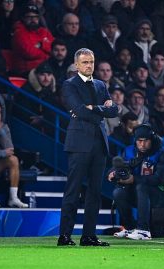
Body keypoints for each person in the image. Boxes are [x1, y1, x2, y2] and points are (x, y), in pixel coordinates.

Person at [57, 48, 117, 247]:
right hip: (79, 143)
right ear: (76, 65)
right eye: (85, 62)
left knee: (95, 192)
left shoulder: (101, 84)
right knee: (73, 191)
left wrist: (95, 109)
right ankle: (65, 235)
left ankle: (88, 235)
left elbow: (114, 110)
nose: (89, 65)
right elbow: (79, 110)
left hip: (99, 143)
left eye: (91, 61)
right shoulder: (69, 85)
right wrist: (101, 110)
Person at [109, 124, 164, 240]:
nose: (142, 145)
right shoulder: (129, 151)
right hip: (139, 194)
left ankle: (143, 230)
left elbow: (160, 179)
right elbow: (120, 165)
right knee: (118, 193)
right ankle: (130, 228)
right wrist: (113, 173)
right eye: (139, 141)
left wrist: (134, 179)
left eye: (146, 141)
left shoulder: (163, 153)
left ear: (152, 140)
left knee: (141, 186)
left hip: (159, 195)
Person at [11, 5, 54, 76]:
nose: (33, 20)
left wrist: (41, 45)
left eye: (36, 17)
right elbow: (29, 53)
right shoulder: (19, 33)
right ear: (23, 18)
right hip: (27, 71)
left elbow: (54, 48)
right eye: (29, 17)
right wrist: (47, 54)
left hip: (46, 69)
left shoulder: (44, 31)